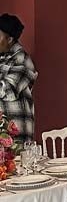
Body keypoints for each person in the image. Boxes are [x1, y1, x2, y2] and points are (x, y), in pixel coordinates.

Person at [0, 14, 37, 142]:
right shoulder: (2, 58)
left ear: (10, 39)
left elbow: (7, 90)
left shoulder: (22, 60)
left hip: (16, 138)